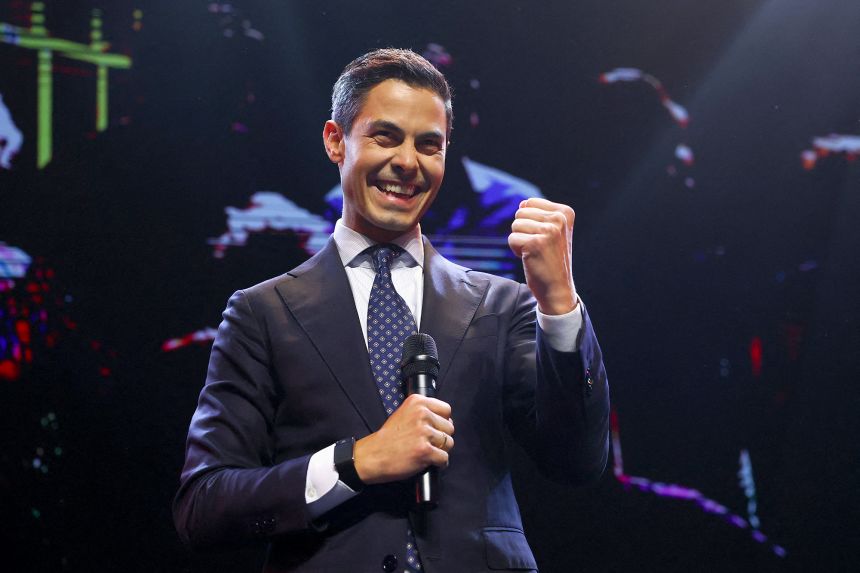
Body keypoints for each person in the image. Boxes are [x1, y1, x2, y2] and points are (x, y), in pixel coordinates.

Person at [173, 48, 610, 573]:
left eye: (429, 145)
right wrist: (356, 462)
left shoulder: (503, 305)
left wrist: (559, 304)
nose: (408, 162)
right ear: (336, 141)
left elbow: (576, 461)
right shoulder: (262, 312)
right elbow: (204, 507)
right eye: (386, 136)